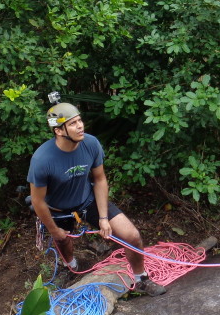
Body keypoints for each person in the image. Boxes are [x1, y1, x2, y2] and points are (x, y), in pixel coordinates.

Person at [28, 102, 166, 296]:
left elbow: (99, 179)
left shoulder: (90, 144)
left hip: (87, 201)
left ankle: (141, 279)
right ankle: (71, 265)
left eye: (80, 120)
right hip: (58, 210)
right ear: (59, 130)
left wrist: (103, 218)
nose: (80, 126)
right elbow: (38, 201)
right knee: (63, 240)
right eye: (73, 123)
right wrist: (53, 229)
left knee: (132, 236)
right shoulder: (42, 160)